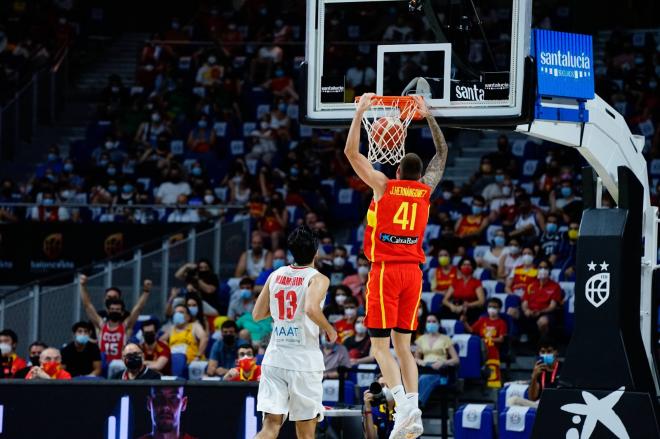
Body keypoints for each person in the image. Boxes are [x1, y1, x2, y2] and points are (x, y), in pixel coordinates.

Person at [344, 94, 448, 439]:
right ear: (418, 175)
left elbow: (351, 154)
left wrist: (360, 113)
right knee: (403, 347)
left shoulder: (384, 186)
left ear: (398, 170)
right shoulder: (425, 191)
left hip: (386, 270)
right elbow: (442, 154)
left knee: (378, 347)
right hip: (414, 275)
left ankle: (402, 406)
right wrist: (428, 115)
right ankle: (413, 411)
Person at [253, 226, 337, 439]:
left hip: (275, 358)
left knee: (270, 427)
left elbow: (257, 314)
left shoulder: (276, 275)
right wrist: (330, 329)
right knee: (306, 433)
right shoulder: (317, 278)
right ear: (316, 252)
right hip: (304, 362)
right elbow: (310, 308)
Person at [80, 275, 152, 363]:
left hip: (120, 364)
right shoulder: (101, 325)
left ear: (122, 312)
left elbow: (138, 308)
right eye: (112, 309)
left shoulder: (126, 327)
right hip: (103, 364)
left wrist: (146, 291)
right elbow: (87, 306)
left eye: (117, 310)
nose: (114, 311)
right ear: (108, 311)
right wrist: (83, 286)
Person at [414, 314, 459, 407]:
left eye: (434, 321)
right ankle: (417, 404)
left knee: (424, 379)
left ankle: (417, 404)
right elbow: (415, 358)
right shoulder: (421, 339)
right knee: (422, 378)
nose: (431, 324)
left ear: (438, 324)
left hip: (440, 370)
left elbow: (456, 359)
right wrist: (420, 362)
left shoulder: (445, 339)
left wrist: (443, 362)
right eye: (429, 321)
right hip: (425, 368)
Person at [462, 298, 508, 388]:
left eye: (495, 307)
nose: (492, 309)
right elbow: (471, 330)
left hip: (493, 348)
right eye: (490, 306)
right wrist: (464, 322)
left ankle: (493, 385)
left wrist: (487, 339)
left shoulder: (501, 323)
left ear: (499, 309)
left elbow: (501, 339)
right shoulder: (482, 320)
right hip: (480, 346)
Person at [522, 260, 562, 336]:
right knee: (512, 312)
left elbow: (552, 306)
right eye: (540, 268)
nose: (542, 270)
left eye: (545, 268)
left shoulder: (555, 286)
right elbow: (525, 303)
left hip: (546, 312)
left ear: (550, 270)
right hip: (530, 311)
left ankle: (543, 342)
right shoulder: (531, 285)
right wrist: (526, 310)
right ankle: (519, 338)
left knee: (542, 322)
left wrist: (540, 311)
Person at [442, 258, 485, 323]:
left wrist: (467, 305)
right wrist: (451, 306)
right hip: (456, 307)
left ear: (473, 268)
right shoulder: (455, 282)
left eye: (469, 265)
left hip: (470, 309)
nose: (466, 267)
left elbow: (481, 301)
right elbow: (445, 300)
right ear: (460, 267)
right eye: (464, 264)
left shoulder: (477, 282)